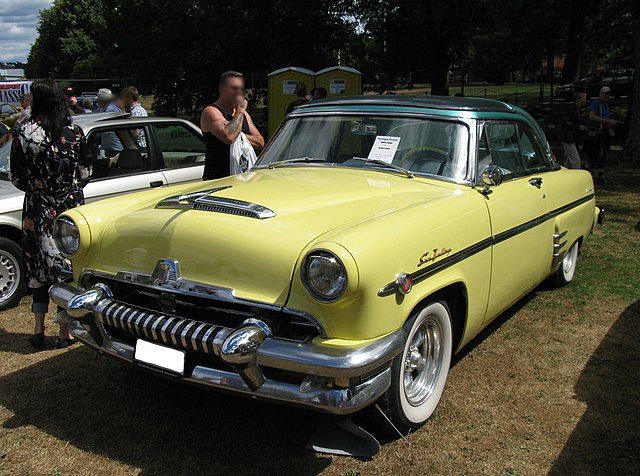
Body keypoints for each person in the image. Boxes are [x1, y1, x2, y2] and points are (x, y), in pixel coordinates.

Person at [10, 79, 92, 349]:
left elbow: (17, 177)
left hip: (37, 208)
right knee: (66, 268)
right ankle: (65, 332)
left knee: (37, 268)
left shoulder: (23, 132)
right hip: (68, 207)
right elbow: (86, 172)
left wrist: (39, 186)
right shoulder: (74, 131)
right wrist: (67, 187)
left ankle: (37, 330)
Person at [200, 71, 264, 180]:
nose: (239, 92)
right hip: (218, 179)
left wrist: (240, 135)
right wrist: (240, 110)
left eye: (241, 89)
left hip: (242, 177)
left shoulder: (243, 114)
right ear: (222, 89)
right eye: (234, 88)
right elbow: (229, 137)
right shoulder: (211, 112)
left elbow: (260, 142)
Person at [584, 86, 619, 183]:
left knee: (604, 154)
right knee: (597, 153)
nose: (607, 95)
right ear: (600, 94)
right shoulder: (596, 103)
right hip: (597, 132)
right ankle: (588, 171)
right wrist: (606, 121)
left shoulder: (606, 104)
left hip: (605, 131)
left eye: (608, 93)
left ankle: (601, 175)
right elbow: (592, 116)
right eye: (605, 93)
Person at [560, 91, 587, 169]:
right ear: (577, 99)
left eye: (585, 98)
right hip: (567, 138)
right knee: (576, 161)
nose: (584, 100)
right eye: (583, 98)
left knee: (568, 162)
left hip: (573, 138)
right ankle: (576, 176)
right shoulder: (571, 109)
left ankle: (565, 177)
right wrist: (577, 127)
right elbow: (565, 122)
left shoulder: (578, 110)